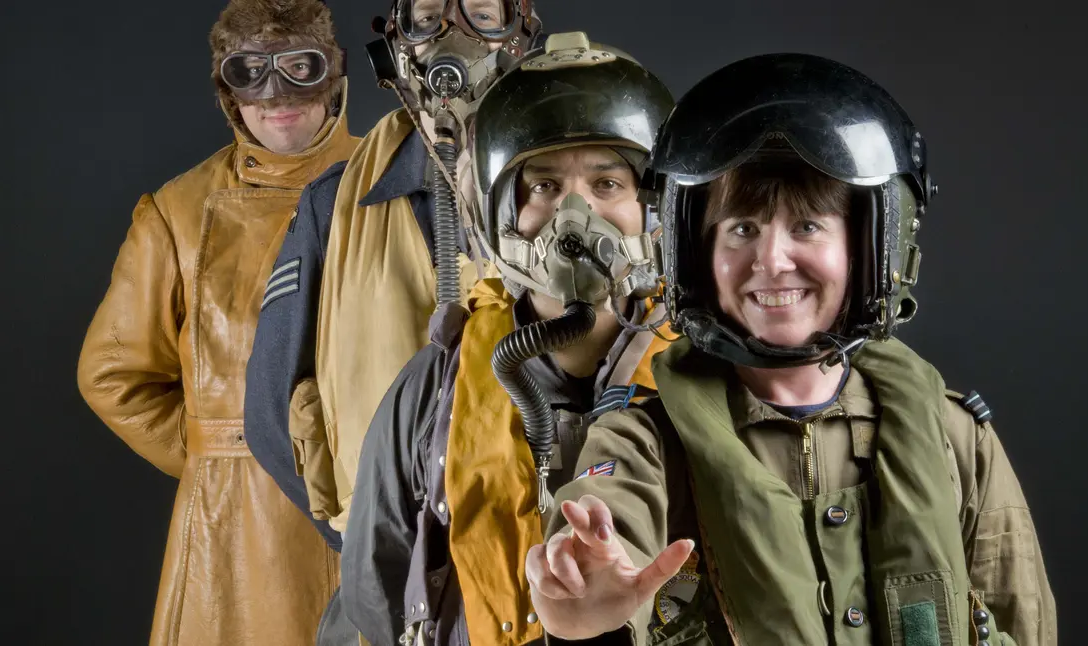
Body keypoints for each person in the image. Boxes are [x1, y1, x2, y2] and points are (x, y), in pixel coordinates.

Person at [526, 53, 1057, 646]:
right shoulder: (643, 444)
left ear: (869, 249)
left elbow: (1022, 622)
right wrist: (580, 608)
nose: (772, 261)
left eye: (808, 227)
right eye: (742, 229)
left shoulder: (956, 439)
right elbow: (604, 528)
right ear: (695, 255)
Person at [340, 32, 675, 646]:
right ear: (497, 214)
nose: (576, 217)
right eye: (543, 186)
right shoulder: (434, 388)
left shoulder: (701, 377)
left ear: (655, 209)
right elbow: (372, 588)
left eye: (607, 185)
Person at [76, 1, 359, 644]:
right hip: (239, 531)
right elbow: (112, 374)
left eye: (299, 66)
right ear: (225, 89)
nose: (275, 93)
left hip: (381, 506)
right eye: (249, 71)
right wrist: (229, 456)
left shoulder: (401, 187)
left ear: (335, 74)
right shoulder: (180, 211)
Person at [243, 0, 543, 547]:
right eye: (427, 16)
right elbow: (269, 415)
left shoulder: (580, 191)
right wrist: (363, 544)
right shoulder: (333, 205)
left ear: (520, 36)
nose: (454, 34)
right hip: (398, 555)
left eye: (480, 13)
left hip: (542, 547)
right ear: (398, 43)